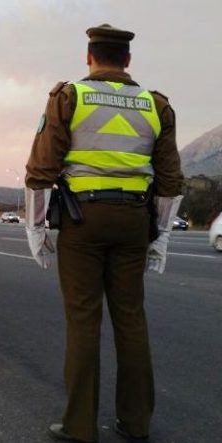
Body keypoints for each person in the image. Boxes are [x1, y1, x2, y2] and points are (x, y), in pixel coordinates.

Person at [24, 24, 184, 443]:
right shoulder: (156, 106)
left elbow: (40, 172)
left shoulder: (69, 97)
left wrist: (37, 229)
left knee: (83, 321)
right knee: (131, 320)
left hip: (83, 220)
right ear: (127, 61)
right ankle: (136, 422)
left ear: (89, 58)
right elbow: (170, 182)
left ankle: (80, 426)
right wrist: (162, 236)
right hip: (134, 222)